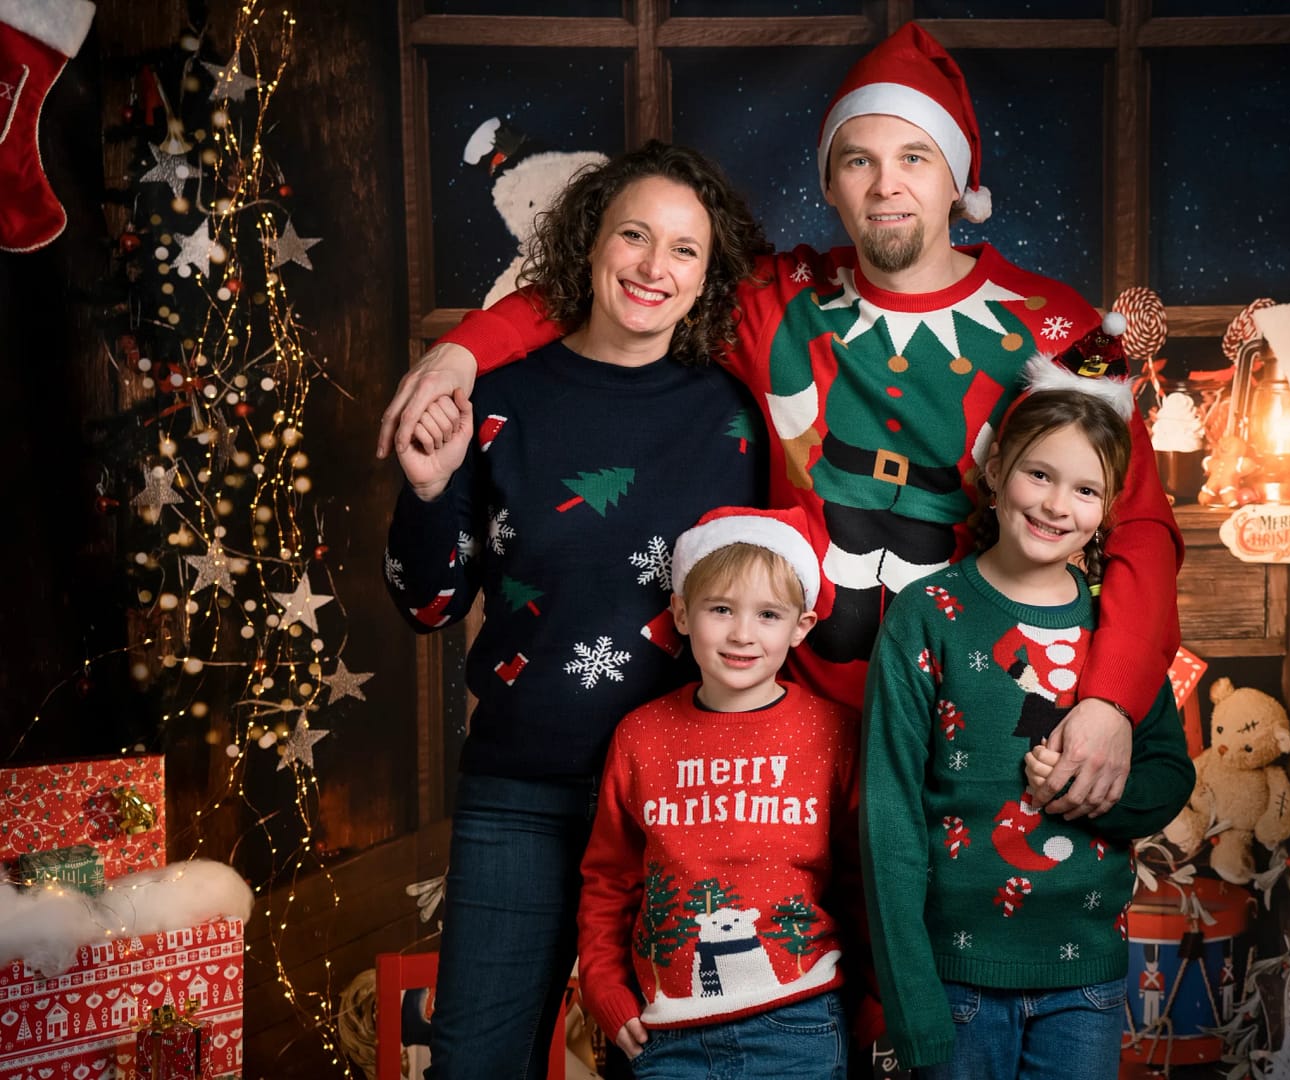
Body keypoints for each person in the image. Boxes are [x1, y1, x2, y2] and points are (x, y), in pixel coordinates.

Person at [378, 22, 1181, 826]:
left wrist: (1110, 701)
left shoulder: (1058, 330)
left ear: (956, 181)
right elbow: (613, 289)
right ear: (828, 182)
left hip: (975, 724)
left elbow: (1136, 522)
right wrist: (459, 355)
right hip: (787, 737)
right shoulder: (779, 299)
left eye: (914, 158)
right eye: (857, 160)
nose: (884, 187)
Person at [384, 140, 771, 1078]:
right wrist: (430, 491)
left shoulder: (739, 414)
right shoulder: (498, 399)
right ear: (587, 245)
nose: (652, 267)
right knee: (476, 1060)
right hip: (523, 792)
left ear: (708, 275)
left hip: (686, 804)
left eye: (683, 250)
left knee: (674, 1064)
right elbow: (429, 607)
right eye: (632, 235)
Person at [860, 361, 1196, 1078]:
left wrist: (1101, 798)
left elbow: (1169, 775)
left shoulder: (1115, 632)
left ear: (1107, 511)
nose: (1054, 505)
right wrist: (910, 1000)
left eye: (1085, 489)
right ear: (996, 472)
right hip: (955, 982)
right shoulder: (926, 616)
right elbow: (889, 815)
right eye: (1037, 475)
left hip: (1087, 981)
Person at [577, 505, 875, 1078]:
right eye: (720, 610)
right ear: (682, 614)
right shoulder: (640, 735)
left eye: (768, 614)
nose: (742, 634)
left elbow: (865, 879)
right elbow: (608, 879)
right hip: (666, 1033)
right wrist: (603, 988)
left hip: (801, 1023)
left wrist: (880, 1000)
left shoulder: (834, 732)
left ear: (801, 626)